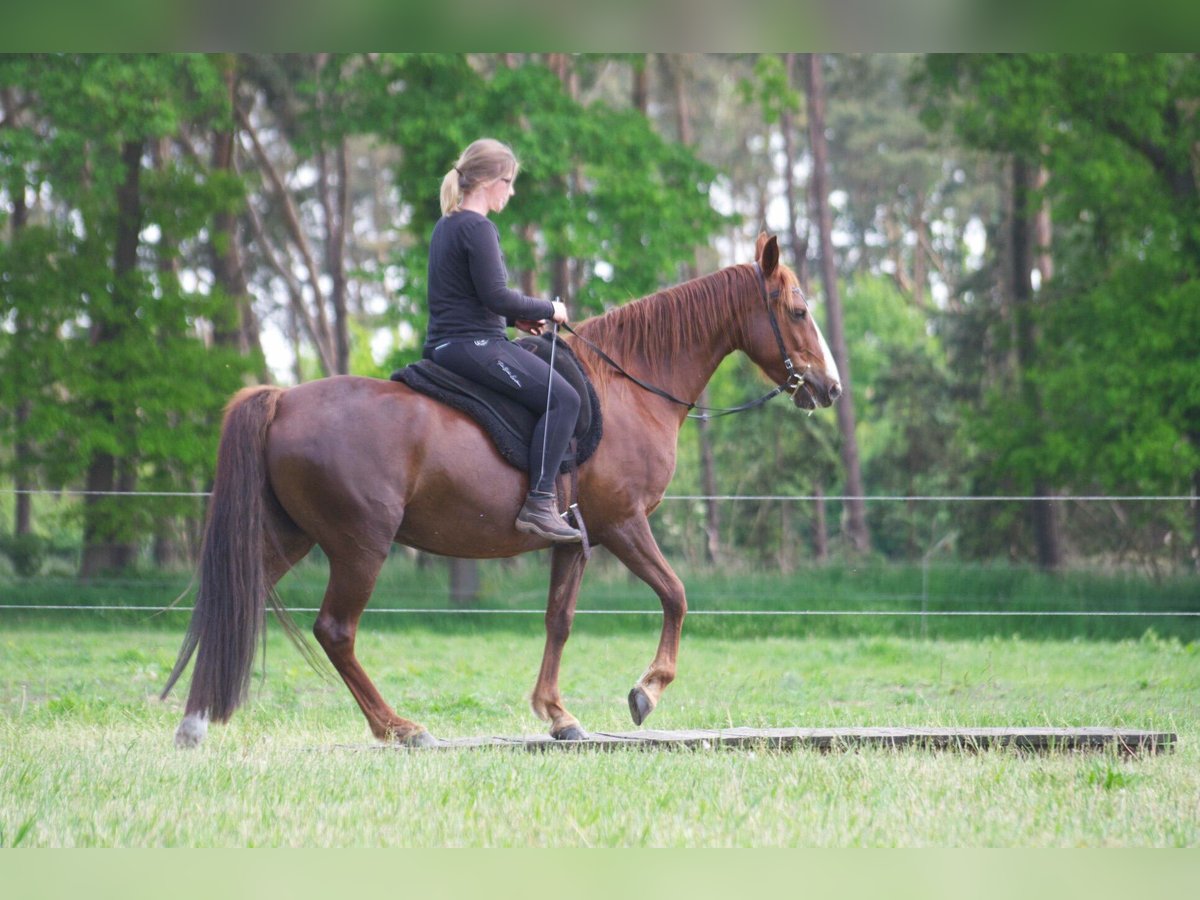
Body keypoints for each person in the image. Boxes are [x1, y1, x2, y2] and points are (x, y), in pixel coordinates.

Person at [424, 138, 582, 543]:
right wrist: (550, 309)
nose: (510, 192)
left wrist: (515, 318)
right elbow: (495, 295)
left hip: (448, 345)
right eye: (508, 182)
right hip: (473, 345)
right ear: (488, 180)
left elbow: (467, 297)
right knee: (564, 399)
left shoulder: (447, 225)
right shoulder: (478, 228)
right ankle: (540, 504)